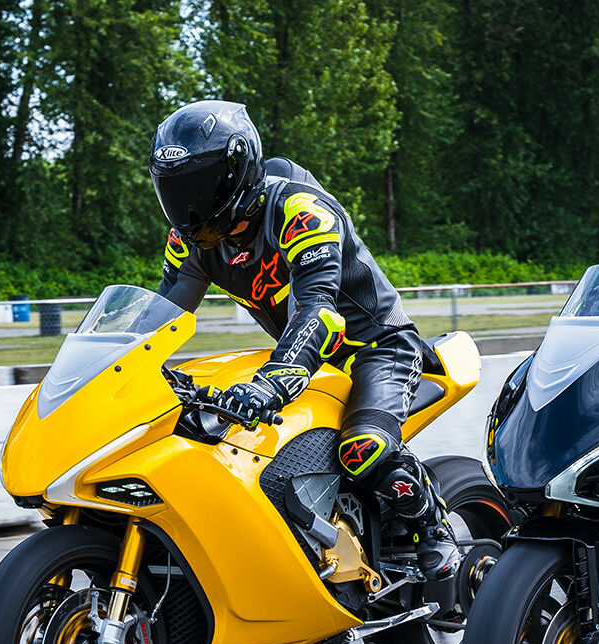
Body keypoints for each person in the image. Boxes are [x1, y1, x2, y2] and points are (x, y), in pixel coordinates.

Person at [148, 99, 459, 579]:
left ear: (238, 168)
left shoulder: (299, 211)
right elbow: (158, 320)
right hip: (303, 357)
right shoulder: (189, 239)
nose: (188, 207)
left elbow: (319, 310)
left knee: (364, 451)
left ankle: (434, 529)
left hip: (374, 350)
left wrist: (270, 385)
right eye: (175, 190)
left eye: (198, 186)